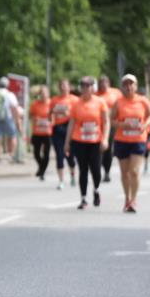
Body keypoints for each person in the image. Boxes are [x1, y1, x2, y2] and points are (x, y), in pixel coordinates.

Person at [64, 76, 110, 209]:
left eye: (88, 86)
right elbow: (71, 124)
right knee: (83, 169)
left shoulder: (100, 102)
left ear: (93, 88)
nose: (85, 88)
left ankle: (96, 190)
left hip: (95, 141)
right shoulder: (76, 104)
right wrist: (67, 142)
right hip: (79, 140)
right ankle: (83, 198)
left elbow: (106, 122)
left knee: (95, 169)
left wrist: (105, 139)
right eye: (83, 86)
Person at [111, 74, 150, 212]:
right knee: (125, 173)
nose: (128, 87)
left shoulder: (143, 101)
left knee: (134, 171)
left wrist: (145, 125)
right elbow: (111, 120)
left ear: (136, 86)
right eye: (126, 84)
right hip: (122, 140)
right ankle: (127, 198)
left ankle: (133, 200)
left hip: (138, 140)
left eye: (131, 84)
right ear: (122, 87)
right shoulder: (118, 102)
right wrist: (122, 125)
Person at [49, 79, 78, 190]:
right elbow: (49, 115)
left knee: (70, 155)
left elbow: (78, 115)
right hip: (57, 129)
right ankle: (61, 181)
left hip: (69, 128)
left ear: (69, 87)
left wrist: (67, 113)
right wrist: (53, 112)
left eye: (65, 85)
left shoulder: (74, 100)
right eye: (61, 85)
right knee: (59, 155)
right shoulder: (54, 100)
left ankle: (73, 176)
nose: (63, 87)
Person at [0, 76, 22, 163]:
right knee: (12, 135)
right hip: (8, 119)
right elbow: (14, 108)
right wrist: (18, 121)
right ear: (7, 85)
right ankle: (11, 155)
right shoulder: (9, 94)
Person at [96, 75, 122, 182]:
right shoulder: (95, 95)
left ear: (109, 83)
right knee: (98, 149)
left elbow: (122, 105)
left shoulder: (116, 93)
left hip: (111, 125)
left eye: (105, 82)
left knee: (108, 148)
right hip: (98, 126)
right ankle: (98, 169)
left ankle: (107, 171)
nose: (103, 84)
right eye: (101, 83)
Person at [29, 85, 53, 180]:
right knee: (36, 153)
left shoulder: (51, 103)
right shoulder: (35, 104)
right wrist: (35, 119)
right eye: (41, 93)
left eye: (45, 93)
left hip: (48, 133)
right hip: (37, 132)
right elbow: (30, 116)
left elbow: (54, 117)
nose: (43, 95)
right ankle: (41, 166)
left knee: (46, 154)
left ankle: (42, 171)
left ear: (48, 94)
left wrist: (50, 121)